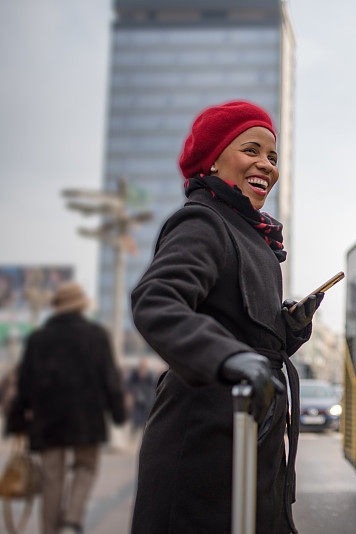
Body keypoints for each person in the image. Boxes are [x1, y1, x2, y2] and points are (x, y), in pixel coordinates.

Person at [130, 100, 322, 534]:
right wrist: (226, 359)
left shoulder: (257, 240)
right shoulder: (204, 221)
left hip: (257, 443)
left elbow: (245, 335)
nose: (266, 165)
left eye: (272, 157)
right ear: (213, 160)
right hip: (205, 444)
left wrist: (288, 332)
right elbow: (156, 300)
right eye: (250, 150)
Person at [6, 281, 127, 534]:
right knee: (86, 467)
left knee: (52, 478)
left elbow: (24, 383)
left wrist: (17, 419)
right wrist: (118, 411)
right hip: (87, 417)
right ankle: (72, 521)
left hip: (47, 420)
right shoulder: (96, 335)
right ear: (81, 306)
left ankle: (49, 530)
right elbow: (110, 377)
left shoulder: (38, 339)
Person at [125, 358, 157, 440]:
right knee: (136, 422)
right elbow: (128, 385)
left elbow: (155, 384)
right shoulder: (134, 374)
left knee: (146, 422)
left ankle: (145, 438)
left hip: (147, 402)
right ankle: (131, 438)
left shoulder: (150, 375)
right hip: (138, 401)